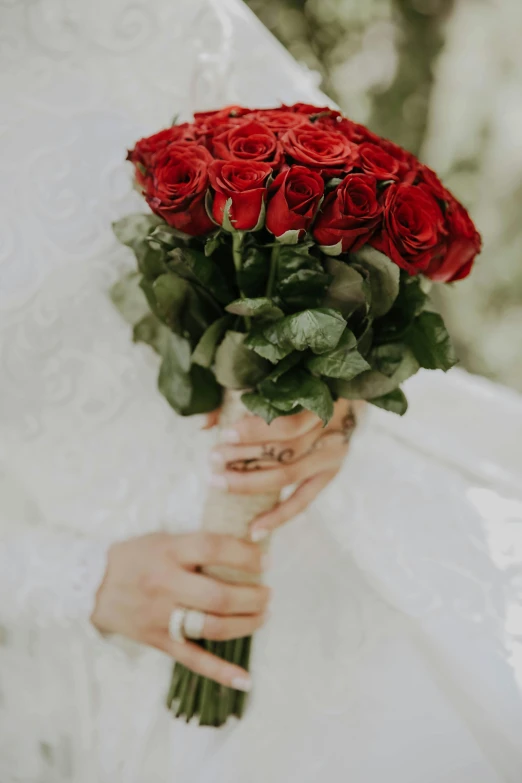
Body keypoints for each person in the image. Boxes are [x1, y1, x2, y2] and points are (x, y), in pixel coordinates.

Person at [1, 1, 522, 781]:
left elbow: (343, 181)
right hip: (114, 625)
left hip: (335, 511)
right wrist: (77, 582)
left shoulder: (140, 17)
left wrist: (340, 391)